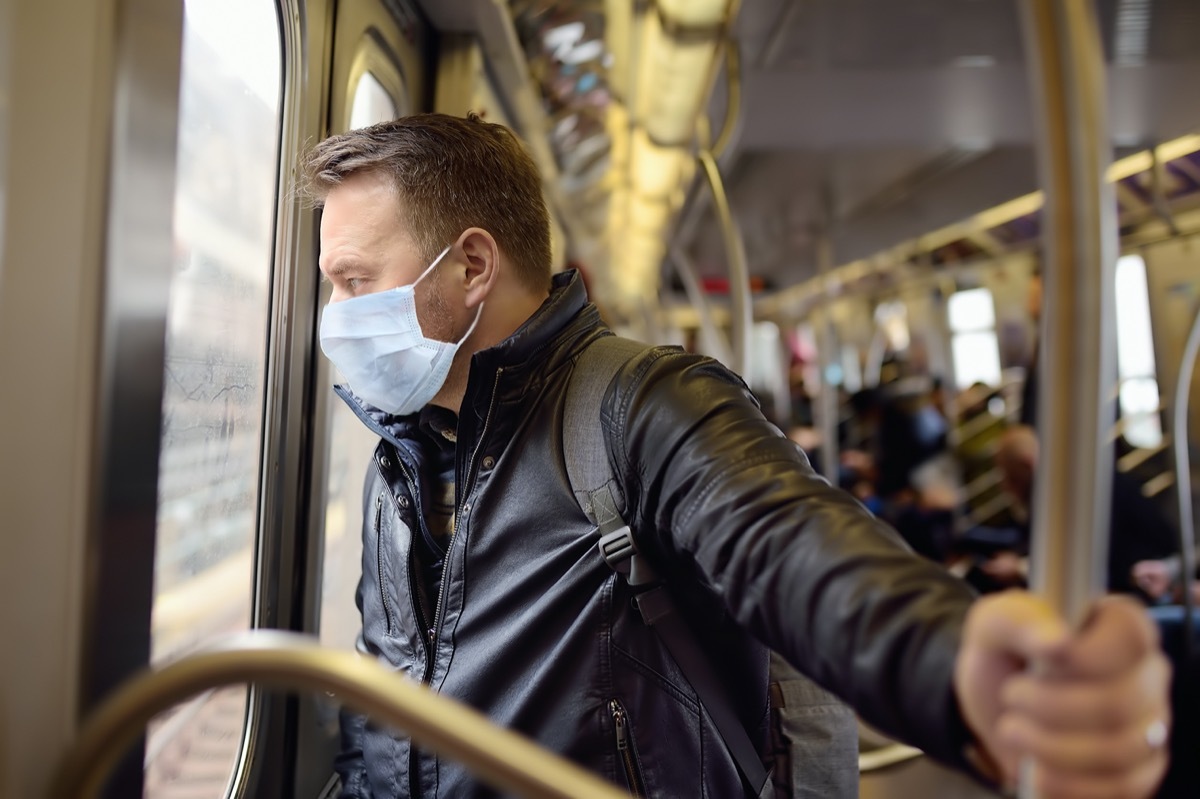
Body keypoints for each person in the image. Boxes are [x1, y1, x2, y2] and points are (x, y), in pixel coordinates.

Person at [303, 113, 1171, 799]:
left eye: (354, 280)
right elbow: (391, 706)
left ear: (473, 267)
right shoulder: (403, 460)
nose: (334, 314)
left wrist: (950, 662)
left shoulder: (641, 407)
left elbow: (790, 548)